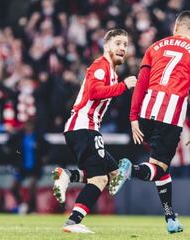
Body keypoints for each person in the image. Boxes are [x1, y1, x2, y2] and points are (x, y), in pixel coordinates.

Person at [110, 11, 190, 234]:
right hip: (170, 115)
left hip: (146, 110)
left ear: (176, 26)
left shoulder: (155, 47)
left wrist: (133, 117)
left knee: (160, 169)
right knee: (157, 167)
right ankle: (130, 171)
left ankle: (170, 218)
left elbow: (141, 83)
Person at [51, 29, 137, 233]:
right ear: (106, 46)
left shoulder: (112, 73)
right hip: (85, 127)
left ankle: (68, 175)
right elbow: (94, 91)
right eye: (118, 43)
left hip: (82, 128)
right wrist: (124, 86)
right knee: (100, 179)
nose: (122, 48)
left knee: (114, 174)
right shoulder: (101, 66)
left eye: (125, 44)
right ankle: (73, 222)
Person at [6, 120, 50, 214]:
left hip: (35, 167)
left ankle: (31, 209)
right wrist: (14, 157)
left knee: (32, 187)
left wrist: (45, 158)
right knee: (13, 188)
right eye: (27, 125)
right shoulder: (19, 136)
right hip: (22, 167)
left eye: (30, 125)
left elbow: (48, 147)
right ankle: (22, 205)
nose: (28, 127)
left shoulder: (37, 137)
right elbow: (8, 145)